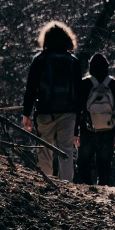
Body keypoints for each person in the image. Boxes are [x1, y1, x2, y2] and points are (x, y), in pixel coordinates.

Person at [22, 20, 84, 181]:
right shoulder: (73, 61)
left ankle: (47, 185)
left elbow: (31, 88)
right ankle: (67, 187)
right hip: (69, 113)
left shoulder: (40, 60)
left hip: (44, 112)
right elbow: (79, 94)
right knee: (66, 151)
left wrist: (26, 113)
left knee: (44, 150)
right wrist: (78, 124)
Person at [75, 52, 115, 186]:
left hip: (87, 130)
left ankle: (89, 186)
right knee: (104, 164)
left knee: (83, 162)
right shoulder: (114, 84)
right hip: (108, 130)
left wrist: (75, 132)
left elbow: (77, 109)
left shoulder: (84, 84)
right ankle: (103, 188)